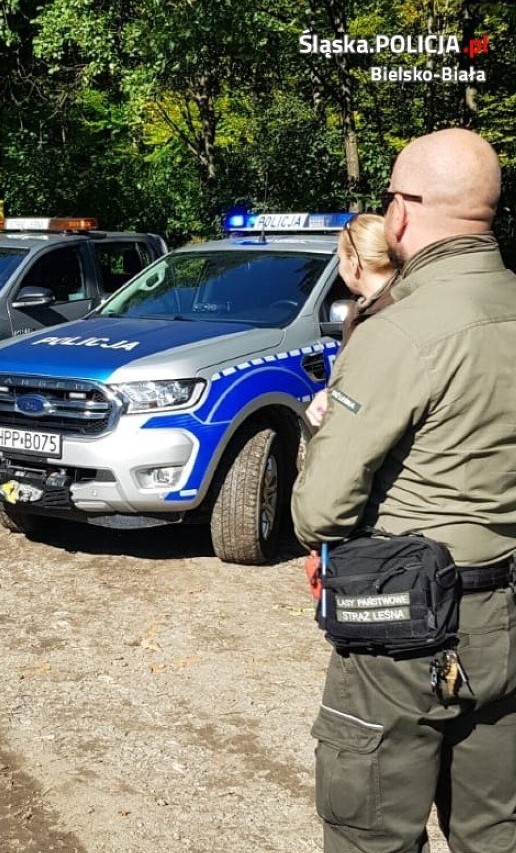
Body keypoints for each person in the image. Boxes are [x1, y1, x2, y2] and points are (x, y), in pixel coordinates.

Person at [291, 128, 516, 852]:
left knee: (371, 834)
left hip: (404, 627)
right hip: (505, 618)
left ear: (405, 211)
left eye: (389, 193)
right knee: (496, 828)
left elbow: (320, 509)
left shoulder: (400, 332)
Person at [305, 213, 397, 428]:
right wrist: (330, 395)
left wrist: (336, 400)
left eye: (340, 259)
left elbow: (378, 402)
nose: (340, 268)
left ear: (354, 264)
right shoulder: (363, 310)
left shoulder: (389, 319)